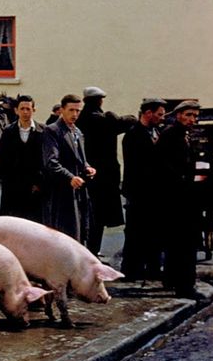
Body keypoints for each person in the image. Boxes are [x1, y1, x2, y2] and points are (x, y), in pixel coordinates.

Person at [77, 86, 136, 256]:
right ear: (100, 100)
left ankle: (87, 250)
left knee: (88, 215)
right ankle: (93, 251)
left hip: (86, 172)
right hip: (103, 176)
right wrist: (112, 115)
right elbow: (129, 121)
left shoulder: (82, 119)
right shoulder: (102, 119)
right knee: (99, 217)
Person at [156, 99, 202, 299]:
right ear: (178, 115)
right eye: (189, 115)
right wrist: (182, 184)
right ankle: (184, 286)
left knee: (179, 243)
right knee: (182, 244)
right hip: (176, 198)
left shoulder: (183, 135)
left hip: (183, 196)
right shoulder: (170, 136)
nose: (193, 119)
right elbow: (164, 167)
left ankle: (174, 280)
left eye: (195, 116)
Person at [120, 97, 167, 281]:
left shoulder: (155, 131)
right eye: (159, 114)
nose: (162, 118)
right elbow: (138, 166)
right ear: (148, 113)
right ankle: (132, 269)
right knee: (135, 232)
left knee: (154, 232)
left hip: (154, 192)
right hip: (139, 192)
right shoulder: (133, 135)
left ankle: (153, 268)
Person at [41, 94, 96, 243]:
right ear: (62, 110)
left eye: (78, 111)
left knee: (82, 232)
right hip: (61, 192)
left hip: (79, 191)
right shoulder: (53, 131)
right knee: (65, 236)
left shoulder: (77, 132)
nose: (75, 114)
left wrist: (87, 167)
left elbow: (80, 159)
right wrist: (69, 177)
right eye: (71, 110)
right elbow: (51, 162)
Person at [0, 95, 45, 222]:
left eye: (28, 109)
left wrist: (39, 183)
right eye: (22, 108)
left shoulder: (43, 131)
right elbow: (3, 161)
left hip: (35, 189)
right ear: (16, 110)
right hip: (13, 189)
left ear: (33, 110)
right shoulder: (8, 131)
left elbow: (46, 160)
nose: (25, 112)